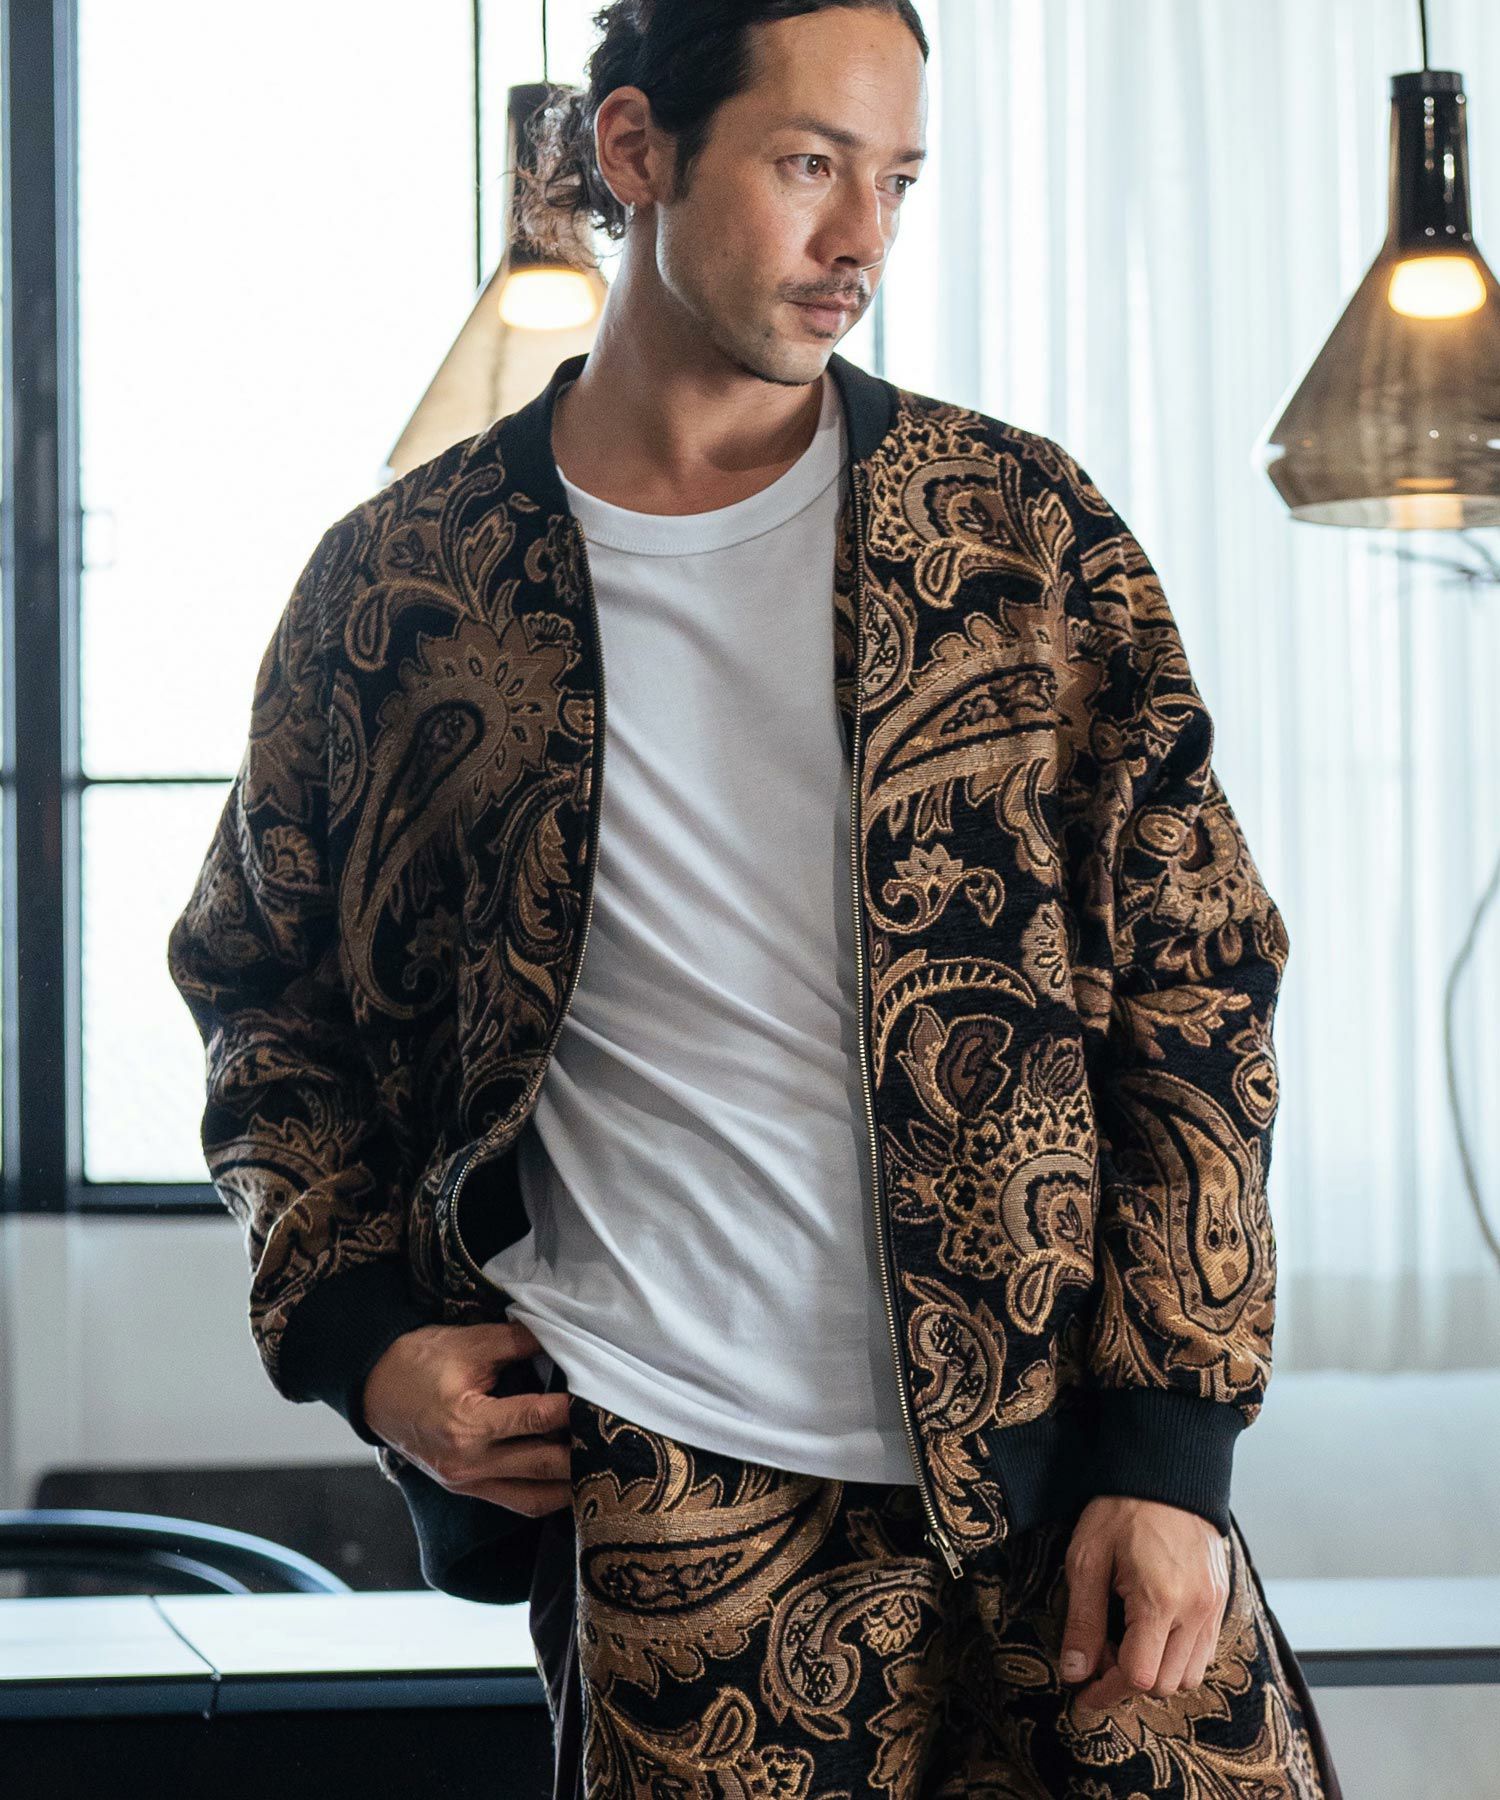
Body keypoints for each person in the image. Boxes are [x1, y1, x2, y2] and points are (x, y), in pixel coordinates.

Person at [166, 2, 1344, 1795]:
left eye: (900, 180)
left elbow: (1203, 974)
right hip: (669, 1503)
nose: (862, 237)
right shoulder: (401, 589)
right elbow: (260, 989)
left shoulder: (1015, 536)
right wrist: (364, 1341)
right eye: (808, 164)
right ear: (636, 149)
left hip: (1059, 1480)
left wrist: (1172, 1444)